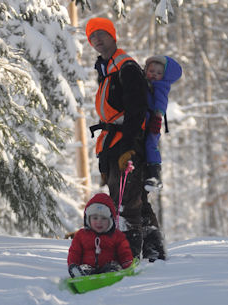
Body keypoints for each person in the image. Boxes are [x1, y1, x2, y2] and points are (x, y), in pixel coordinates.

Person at [85, 17, 153, 258]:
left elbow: (137, 110)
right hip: (112, 142)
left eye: (101, 34)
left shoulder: (126, 67)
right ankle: (153, 252)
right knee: (132, 199)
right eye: (92, 37)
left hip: (127, 142)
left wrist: (129, 147)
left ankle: (129, 256)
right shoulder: (106, 70)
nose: (97, 40)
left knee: (124, 203)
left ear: (113, 36)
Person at [67, 193, 133, 277]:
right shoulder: (81, 235)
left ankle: (112, 274)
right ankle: (79, 273)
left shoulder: (117, 236)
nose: (99, 222)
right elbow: (74, 252)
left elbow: (124, 251)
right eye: (95, 218)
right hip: (88, 267)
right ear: (88, 219)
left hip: (108, 266)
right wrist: (73, 264)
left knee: (113, 266)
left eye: (104, 218)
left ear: (111, 220)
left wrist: (127, 262)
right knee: (84, 268)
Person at [142, 55, 182, 192]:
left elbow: (161, 103)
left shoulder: (161, 86)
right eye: (151, 71)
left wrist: (158, 117)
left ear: (164, 76)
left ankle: (155, 175)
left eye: (158, 73)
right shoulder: (146, 84)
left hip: (153, 123)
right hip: (145, 121)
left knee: (150, 145)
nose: (154, 75)